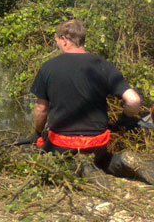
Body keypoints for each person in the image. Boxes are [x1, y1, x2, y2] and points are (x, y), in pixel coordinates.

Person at [30, 19, 154, 185]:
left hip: (62, 144)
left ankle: (82, 167)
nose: (57, 45)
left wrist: (37, 133)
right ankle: (119, 161)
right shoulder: (103, 65)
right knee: (103, 161)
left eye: (57, 41)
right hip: (97, 143)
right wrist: (123, 120)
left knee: (44, 158)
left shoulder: (48, 67)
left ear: (65, 39)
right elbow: (134, 100)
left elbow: (41, 109)